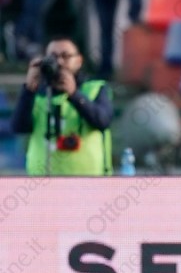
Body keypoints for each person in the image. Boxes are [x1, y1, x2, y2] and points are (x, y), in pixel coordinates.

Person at [11, 36, 113, 175]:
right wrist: (28, 90)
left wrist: (74, 94)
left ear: (79, 61)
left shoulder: (94, 88)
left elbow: (103, 121)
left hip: (88, 180)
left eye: (65, 56)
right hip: (42, 181)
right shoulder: (38, 93)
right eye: (53, 57)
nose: (59, 62)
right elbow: (19, 127)